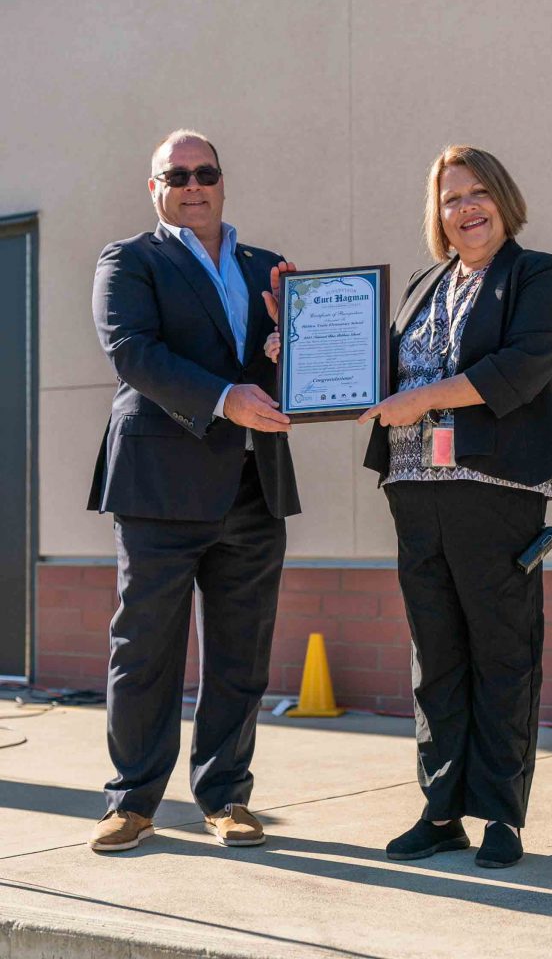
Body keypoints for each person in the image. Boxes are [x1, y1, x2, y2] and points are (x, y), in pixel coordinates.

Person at [358, 145, 552, 868]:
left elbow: (520, 367)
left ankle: (502, 818)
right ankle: (442, 808)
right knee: (437, 657)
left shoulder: (538, 275)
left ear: (503, 200)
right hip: (414, 489)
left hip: (497, 492)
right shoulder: (422, 283)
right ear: (438, 213)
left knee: (502, 654)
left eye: (478, 193)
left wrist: (424, 398)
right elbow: (377, 375)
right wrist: (290, 345)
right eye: (451, 198)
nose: (466, 208)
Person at [87, 129, 300, 852]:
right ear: (156, 188)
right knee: (144, 650)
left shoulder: (268, 268)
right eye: (175, 175)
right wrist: (225, 397)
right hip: (158, 490)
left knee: (241, 653)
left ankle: (227, 797)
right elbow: (133, 352)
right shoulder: (130, 261)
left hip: (252, 485)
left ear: (222, 180)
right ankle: (132, 800)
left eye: (204, 171)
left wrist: (285, 351)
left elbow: (281, 374)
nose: (192, 184)